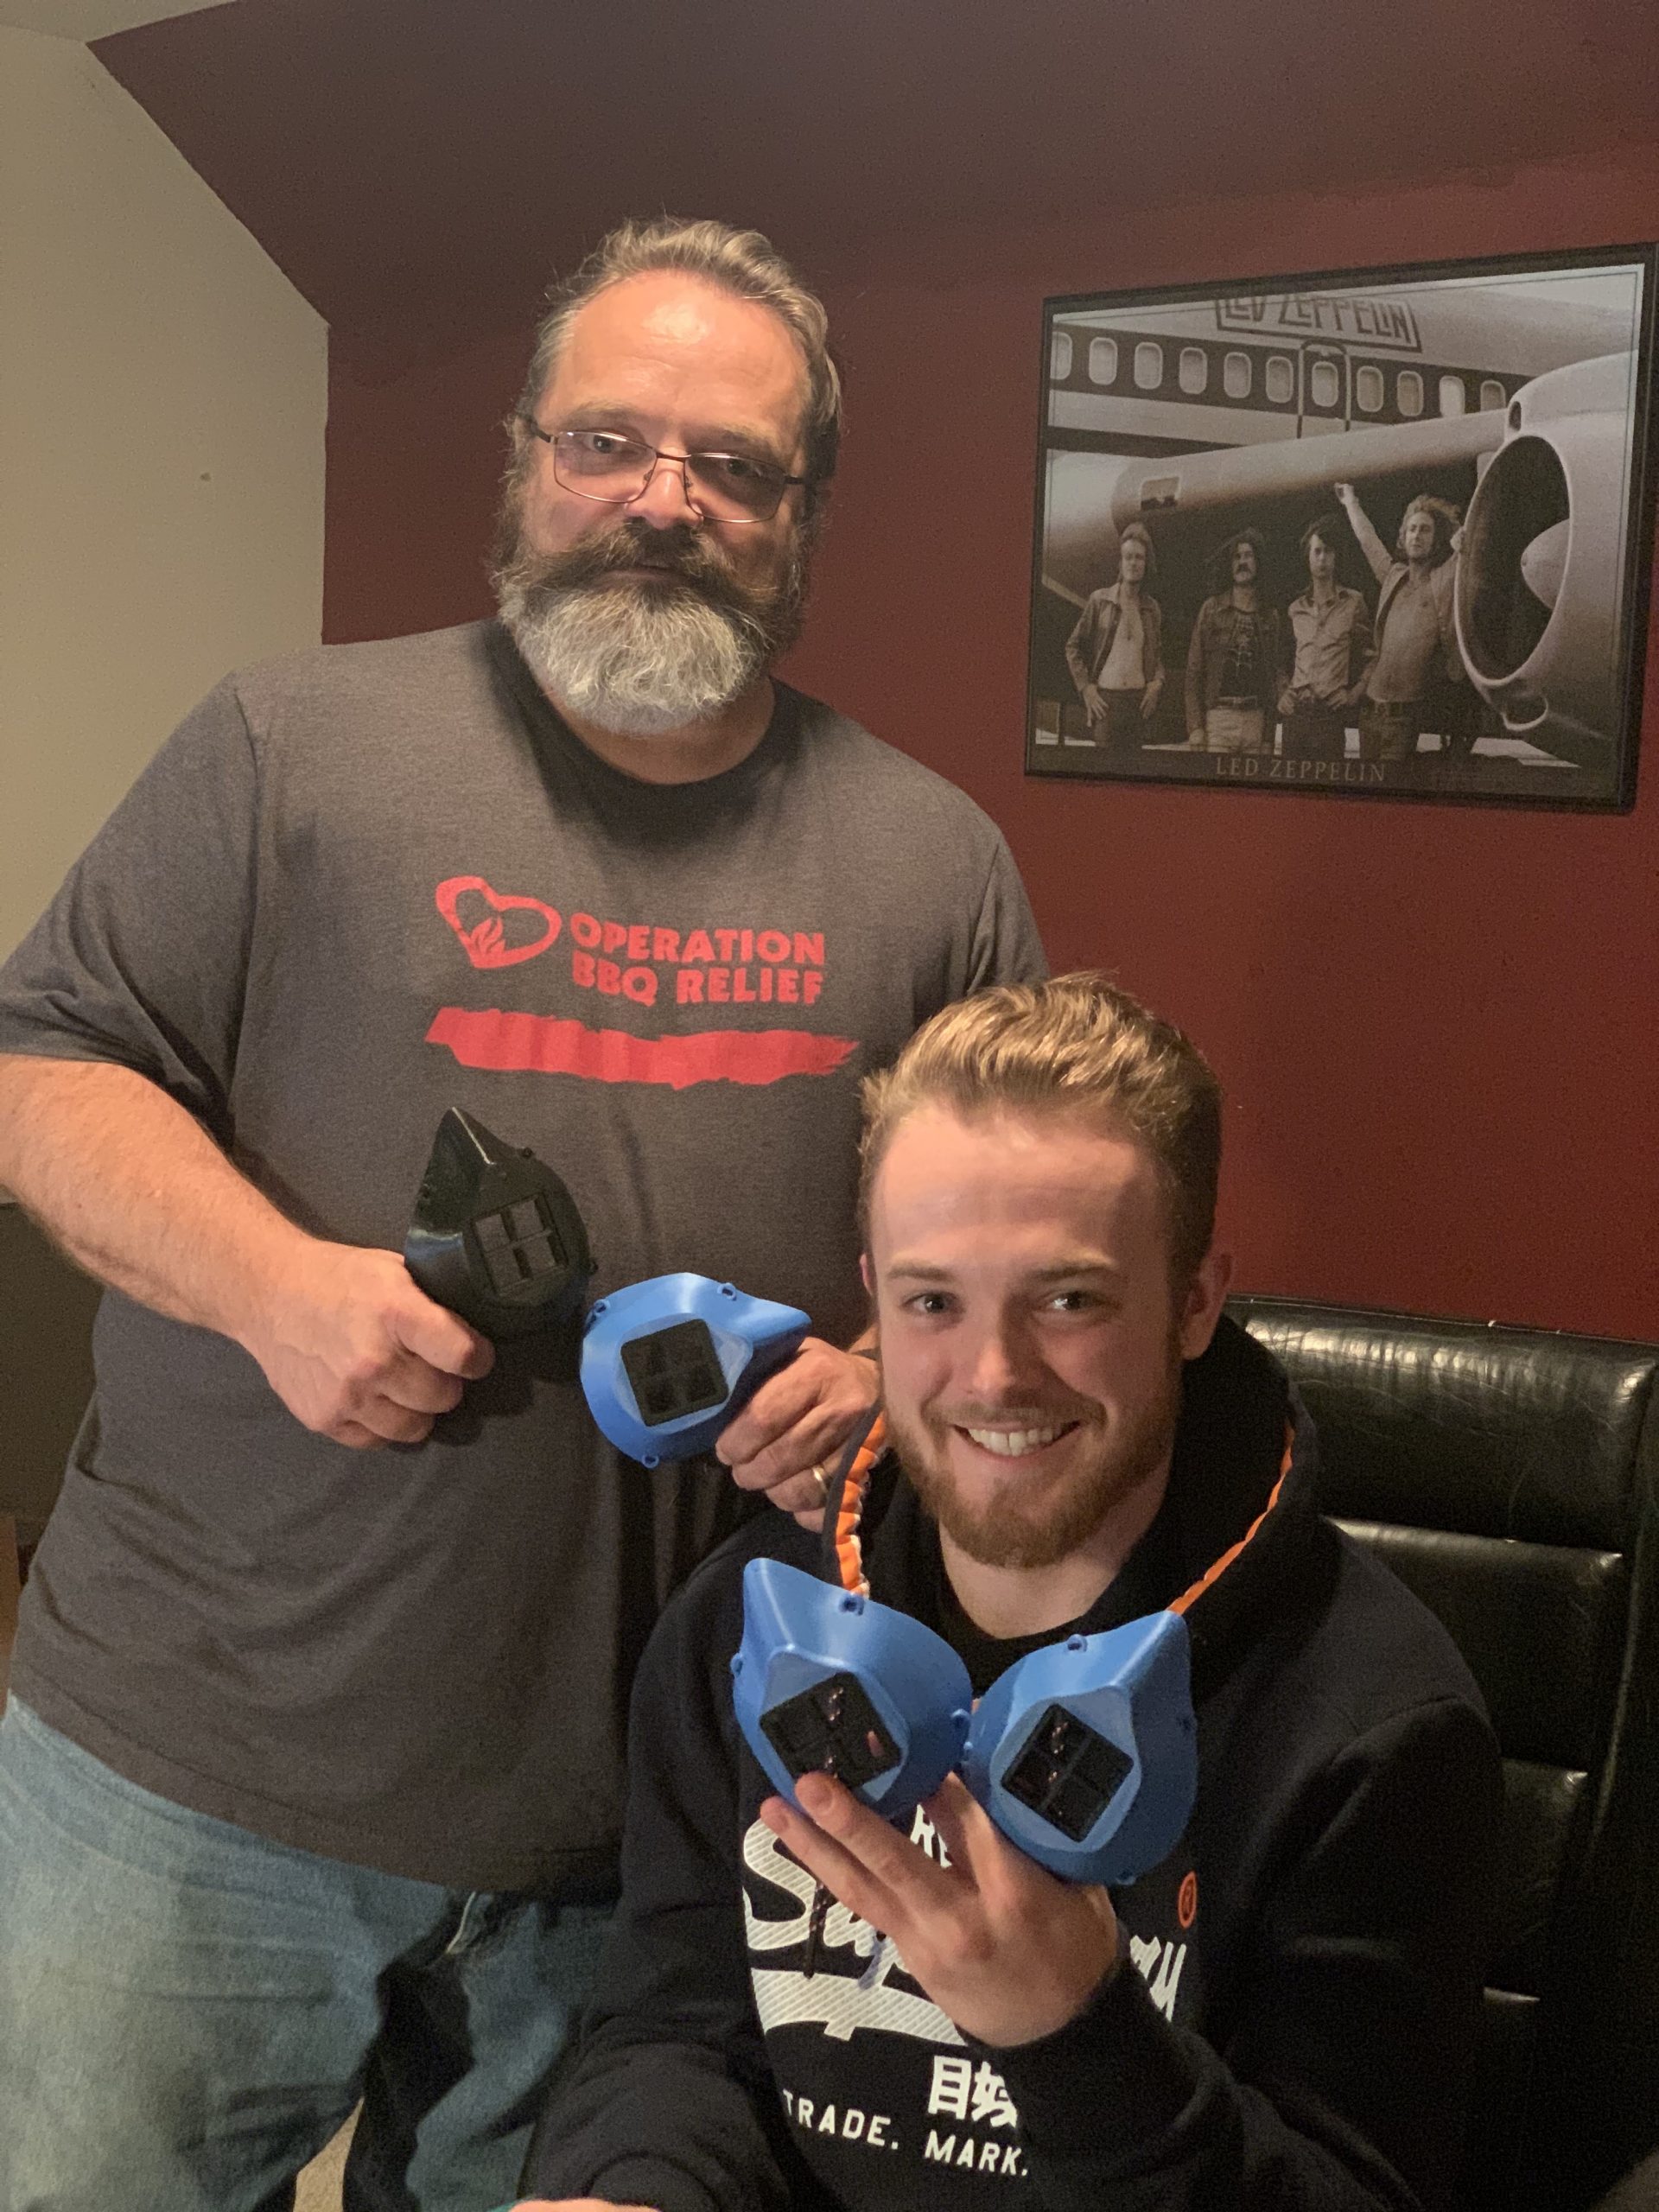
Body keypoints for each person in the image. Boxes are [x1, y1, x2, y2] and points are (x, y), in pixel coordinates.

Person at [0, 218, 1046, 2210]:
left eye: (733, 464)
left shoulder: (935, 859)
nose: (667, 498)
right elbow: (38, 1062)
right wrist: (276, 1286)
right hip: (182, 1792)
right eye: (612, 440)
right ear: (522, 459)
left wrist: (880, 1384)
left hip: (635, 1841)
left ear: (800, 512)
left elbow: (1012, 1255)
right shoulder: (285, 748)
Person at [515, 974, 1502, 2212]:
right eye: (933, 1302)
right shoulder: (740, 1625)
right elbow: (677, 2029)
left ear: (1194, 1302)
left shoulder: (1370, 1722)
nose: (993, 1375)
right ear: (871, 1293)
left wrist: (1078, 2037)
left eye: (1069, 1299)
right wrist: (630, 2186)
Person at [1334, 481, 1466, 765]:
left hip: (1404, 719)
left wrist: (1461, 545)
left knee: (1389, 797)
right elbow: (1368, 541)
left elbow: (1471, 543)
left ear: (1436, 539)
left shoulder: (1441, 583)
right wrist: (1350, 503)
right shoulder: (1393, 576)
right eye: (1412, 529)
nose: (1417, 535)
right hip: (1369, 713)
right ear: (1404, 536)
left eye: (1425, 529)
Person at [1277, 511, 1375, 763]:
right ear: (1308, 558)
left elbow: (1372, 656)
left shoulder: (1353, 604)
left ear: (1336, 556)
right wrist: (1282, 692)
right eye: (1317, 551)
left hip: (1329, 719)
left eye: (1328, 552)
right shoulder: (1295, 608)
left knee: (1325, 795)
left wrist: (1354, 693)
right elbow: (1280, 659)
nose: (1322, 559)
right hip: (1296, 716)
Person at [1062, 522, 1165, 760]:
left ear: (1146, 563)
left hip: (1138, 706)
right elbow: (1073, 646)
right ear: (1120, 563)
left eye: (1139, 557)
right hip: (1107, 704)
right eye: (1128, 557)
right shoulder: (1100, 601)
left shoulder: (1151, 608)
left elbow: (1157, 655)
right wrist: (1086, 688)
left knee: (1133, 777)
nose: (1133, 563)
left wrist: (1157, 682)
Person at [1183, 528, 1281, 756]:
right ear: (1229, 565)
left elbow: (1273, 681)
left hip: (1255, 719)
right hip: (1219, 718)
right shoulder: (1211, 609)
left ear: (1258, 563)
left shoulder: (1270, 616)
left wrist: (1268, 737)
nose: (1242, 562)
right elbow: (1193, 673)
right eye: (1237, 557)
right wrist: (1196, 727)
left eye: (1248, 556)